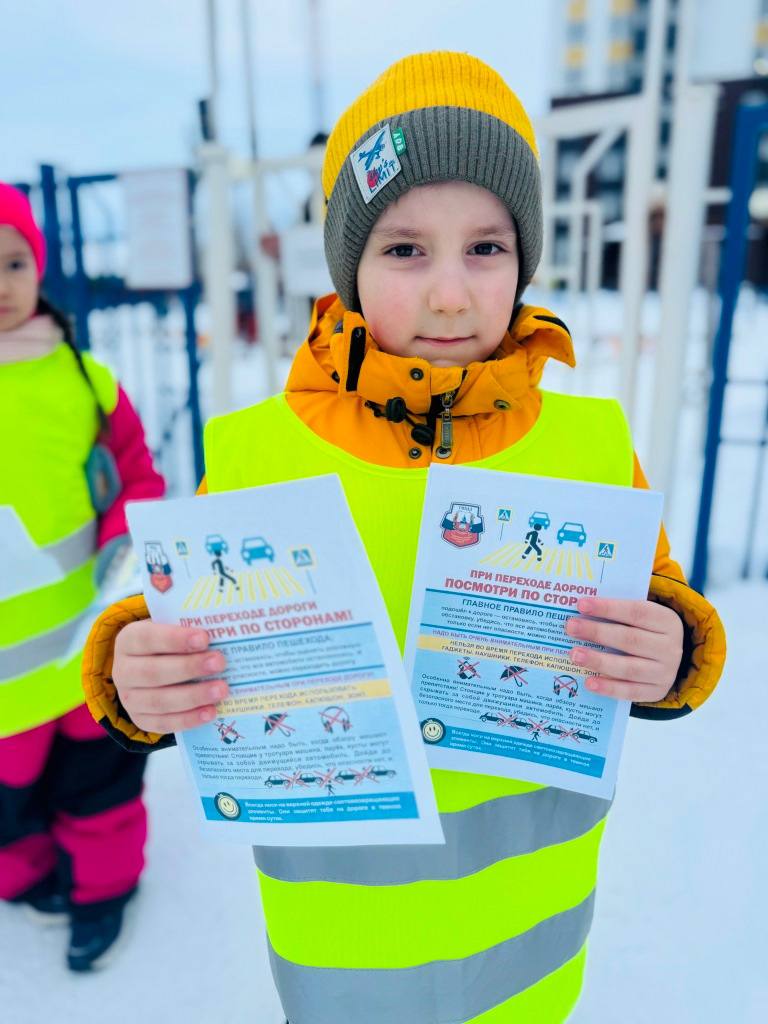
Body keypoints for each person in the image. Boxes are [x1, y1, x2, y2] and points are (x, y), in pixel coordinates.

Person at [81, 53, 726, 1022]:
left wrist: (671, 645)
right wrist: (135, 668)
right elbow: (167, 621)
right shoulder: (260, 457)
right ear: (348, 267)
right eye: (405, 250)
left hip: (532, 947)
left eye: (487, 247)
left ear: (526, 259)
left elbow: (659, 594)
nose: (451, 295)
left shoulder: (588, 449)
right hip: (345, 958)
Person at [0, 183, 165, 971]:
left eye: (13, 262)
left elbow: (134, 471)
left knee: (100, 784)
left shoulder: (83, 377)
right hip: (6, 675)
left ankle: (101, 893)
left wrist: (124, 538)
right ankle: (27, 878)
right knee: (9, 799)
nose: (2, 284)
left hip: (86, 645)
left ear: (38, 267)